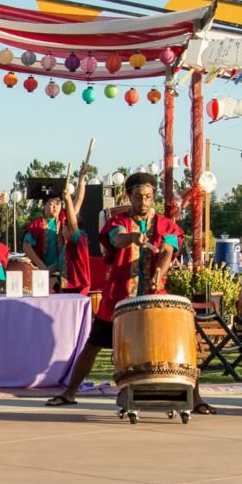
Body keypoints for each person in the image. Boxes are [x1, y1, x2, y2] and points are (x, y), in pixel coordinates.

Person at [46, 172, 214, 414]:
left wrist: (159, 270)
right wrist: (133, 237)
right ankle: (69, 392)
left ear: (152, 197)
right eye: (138, 197)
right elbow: (117, 239)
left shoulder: (166, 225)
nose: (143, 202)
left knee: (182, 344)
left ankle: (196, 399)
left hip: (155, 300)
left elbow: (168, 249)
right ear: (129, 196)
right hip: (118, 299)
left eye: (147, 197)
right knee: (93, 344)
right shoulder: (119, 222)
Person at [21, 171, 92, 294]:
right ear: (44, 205)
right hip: (43, 274)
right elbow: (26, 246)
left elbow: (79, 199)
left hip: (65, 273)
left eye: (58, 204)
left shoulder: (65, 219)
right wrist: (42, 267)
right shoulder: (36, 224)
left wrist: (81, 179)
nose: (55, 207)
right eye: (52, 204)